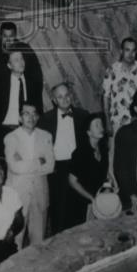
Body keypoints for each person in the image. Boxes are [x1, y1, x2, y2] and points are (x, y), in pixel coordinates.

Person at [39, 82, 88, 234]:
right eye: (60, 97)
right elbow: (40, 148)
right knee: (59, 214)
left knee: (80, 210)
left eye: (67, 95)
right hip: (57, 170)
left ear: (71, 95)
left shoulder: (83, 115)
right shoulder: (45, 119)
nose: (65, 99)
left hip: (78, 168)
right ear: (54, 100)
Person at [4, 102, 54, 247]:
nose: (31, 117)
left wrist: (25, 162)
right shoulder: (10, 138)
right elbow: (14, 167)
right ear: (20, 118)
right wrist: (39, 161)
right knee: (15, 242)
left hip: (40, 195)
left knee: (38, 243)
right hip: (18, 196)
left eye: (34, 114)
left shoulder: (46, 136)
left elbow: (50, 166)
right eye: (26, 113)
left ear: (38, 117)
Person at [102, 37, 137, 155]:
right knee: (114, 158)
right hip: (117, 121)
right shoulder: (112, 70)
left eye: (133, 50)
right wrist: (107, 122)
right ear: (121, 51)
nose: (130, 54)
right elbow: (106, 97)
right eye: (127, 50)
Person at [0, 49, 43, 157]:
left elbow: (38, 108)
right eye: (16, 60)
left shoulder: (32, 82)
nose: (21, 62)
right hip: (4, 132)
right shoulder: (0, 84)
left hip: (26, 132)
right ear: (9, 65)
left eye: (22, 58)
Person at [67, 113, 110, 226]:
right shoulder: (80, 153)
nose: (101, 128)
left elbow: (103, 174)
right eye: (96, 125)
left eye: (101, 124)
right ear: (88, 132)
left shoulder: (103, 150)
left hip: (97, 201)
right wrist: (91, 198)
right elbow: (72, 181)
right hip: (81, 203)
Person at [0, 158, 24, 272]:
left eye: (0, 168)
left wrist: (12, 231)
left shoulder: (11, 192)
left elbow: (19, 218)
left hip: (8, 245)